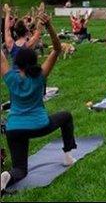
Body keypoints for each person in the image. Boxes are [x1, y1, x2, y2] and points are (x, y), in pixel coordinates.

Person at [1, 12, 77, 193]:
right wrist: (49, 26)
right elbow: (57, 49)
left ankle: (8, 176)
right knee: (66, 116)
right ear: (35, 60)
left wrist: (5, 22)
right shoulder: (40, 76)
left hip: (14, 129)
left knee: (20, 170)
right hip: (39, 125)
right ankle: (68, 155)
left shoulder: (10, 77)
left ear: (17, 63)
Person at [3, 4, 43, 69]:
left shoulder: (10, 44)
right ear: (27, 31)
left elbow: (6, 29)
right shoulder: (29, 44)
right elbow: (39, 30)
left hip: (14, 75)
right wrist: (41, 13)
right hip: (27, 75)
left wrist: (7, 12)